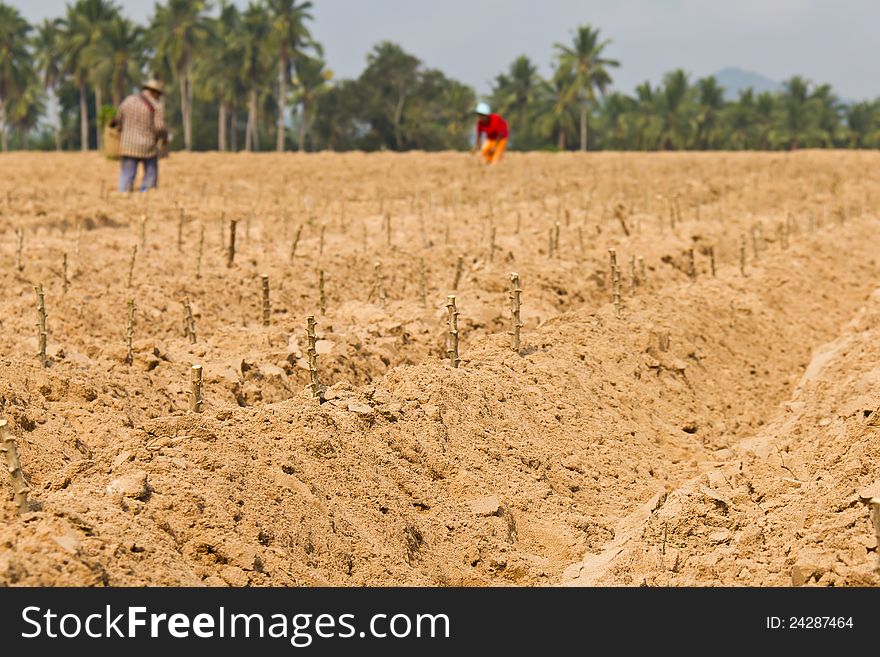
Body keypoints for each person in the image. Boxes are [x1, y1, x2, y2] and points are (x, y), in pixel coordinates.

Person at [111, 79, 168, 192]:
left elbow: (117, 119)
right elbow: (160, 127)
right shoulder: (156, 106)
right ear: (155, 92)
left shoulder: (128, 100)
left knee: (127, 174)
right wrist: (163, 138)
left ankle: (123, 193)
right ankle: (146, 192)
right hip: (147, 146)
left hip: (127, 145)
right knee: (151, 173)